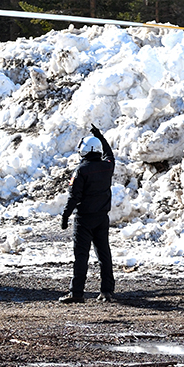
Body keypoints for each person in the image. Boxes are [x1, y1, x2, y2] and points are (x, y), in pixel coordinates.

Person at [59, 124, 115, 304]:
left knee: (81, 256)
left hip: (84, 219)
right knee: (104, 254)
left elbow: (74, 196)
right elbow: (110, 154)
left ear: (84, 151)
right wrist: (100, 136)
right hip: (102, 218)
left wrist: (65, 215)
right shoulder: (107, 167)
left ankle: (77, 293)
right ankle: (106, 291)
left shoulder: (81, 170)